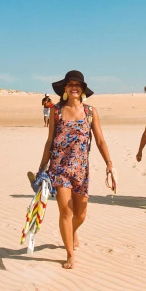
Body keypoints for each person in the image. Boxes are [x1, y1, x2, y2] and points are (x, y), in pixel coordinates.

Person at [29, 70, 116, 269]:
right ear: (65, 88)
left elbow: (101, 140)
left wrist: (109, 163)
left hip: (81, 170)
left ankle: (71, 232)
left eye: (78, 84)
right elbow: (50, 140)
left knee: (81, 215)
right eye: (71, 84)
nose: (74, 87)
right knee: (65, 212)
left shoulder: (90, 112)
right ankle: (69, 254)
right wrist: (42, 167)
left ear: (82, 89)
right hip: (59, 168)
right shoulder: (56, 111)